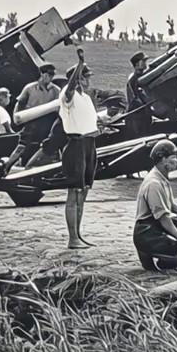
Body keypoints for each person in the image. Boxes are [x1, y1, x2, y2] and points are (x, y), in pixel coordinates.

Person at [133, 139, 177, 270]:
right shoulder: (153, 183)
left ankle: (165, 252)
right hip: (147, 231)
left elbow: (171, 206)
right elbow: (164, 218)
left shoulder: (162, 178)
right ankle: (161, 258)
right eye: (173, 157)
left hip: (156, 224)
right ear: (163, 159)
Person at [60, 57, 100, 249]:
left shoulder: (86, 98)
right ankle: (72, 238)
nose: (88, 80)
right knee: (74, 194)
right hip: (75, 146)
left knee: (83, 193)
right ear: (77, 79)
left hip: (89, 145)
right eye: (85, 77)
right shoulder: (67, 95)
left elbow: (89, 122)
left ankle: (78, 234)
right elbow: (69, 89)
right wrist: (80, 64)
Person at [5, 63, 61, 168]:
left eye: (52, 74)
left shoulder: (56, 90)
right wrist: (17, 121)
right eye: (48, 74)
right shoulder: (30, 88)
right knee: (22, 147)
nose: (50, 77)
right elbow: (20, 104)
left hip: (47, 123)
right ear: (42, 73)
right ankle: (6, 167)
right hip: (30, 122)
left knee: (45, 147)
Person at [125, 51, 154, 138]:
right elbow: (134, 99)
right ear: (137, 64)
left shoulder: (144, 76)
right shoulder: (133, 80)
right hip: (136, 117)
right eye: (143, 61)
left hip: (144, 115)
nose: (145, 63)